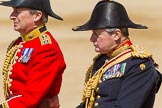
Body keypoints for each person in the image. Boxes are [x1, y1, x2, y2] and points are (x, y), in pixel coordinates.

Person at [72, 0, 162, 108]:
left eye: (96, 34)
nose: (92, 39)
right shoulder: (102, 60)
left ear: (116, 34)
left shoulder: (138, 65)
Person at [0, 0, 66, 108]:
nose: (11, 16)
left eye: (17, 11)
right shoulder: (21, 42)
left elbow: (30, 97)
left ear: (37, 16)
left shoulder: (46, 49)